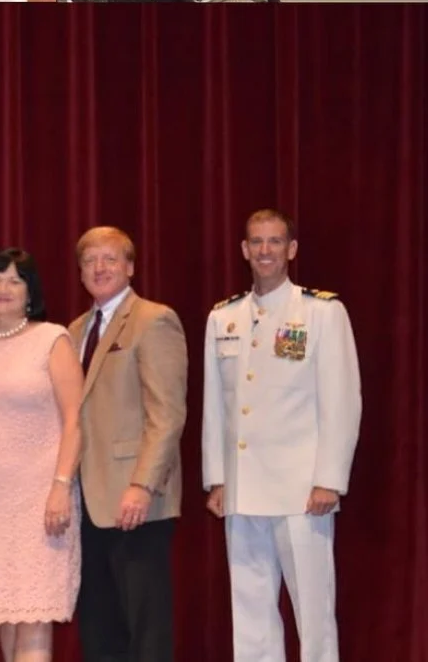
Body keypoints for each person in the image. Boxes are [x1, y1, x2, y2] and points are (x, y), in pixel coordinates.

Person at [202, 210, 361, 662]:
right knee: (249, 611)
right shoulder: (224, 317)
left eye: (275, 242)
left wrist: (330, 478)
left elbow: (342, 400)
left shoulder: (321, 312)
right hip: (244, 487)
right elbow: (217, 405)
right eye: (257, 242)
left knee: (313, 611)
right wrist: (217, 476)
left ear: (291, 249)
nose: (265, 251)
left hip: (301, 489)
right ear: (244, 250)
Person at [0, 249, 82, 662]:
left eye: (15, 280)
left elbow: (76, 419)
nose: (3, 288)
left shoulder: (52, 339)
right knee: (5, 619)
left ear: (30, 292)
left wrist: (61, 486)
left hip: (40, 500)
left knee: (34, 622)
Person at [69, 226, 187, 662]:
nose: (100, 268)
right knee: (100, 627)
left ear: (131, 267)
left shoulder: (154, 319)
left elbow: (167, 413)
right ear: (80, 272)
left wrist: (142, 485)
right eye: (90, 260)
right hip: (89, 502)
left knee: (146, 627)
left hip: (136, 500)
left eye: (110, 258)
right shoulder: (76, 329)